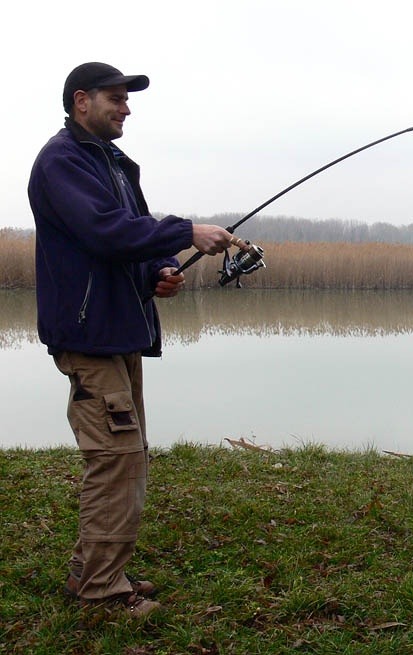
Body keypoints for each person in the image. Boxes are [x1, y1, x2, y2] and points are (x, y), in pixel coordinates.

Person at [28, 62, 238, 618]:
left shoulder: (116, 165)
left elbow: (131, 240)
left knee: (127, 456)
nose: (126, 108)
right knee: (115, 458)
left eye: (127, 99)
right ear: (81, 102)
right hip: (88, 335)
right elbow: (103, 230)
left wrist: (160, 271)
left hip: (120, 329)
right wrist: (186, 230)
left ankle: (93, 571)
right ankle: (100, 592)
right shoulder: (61, 162)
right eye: (115, 98)